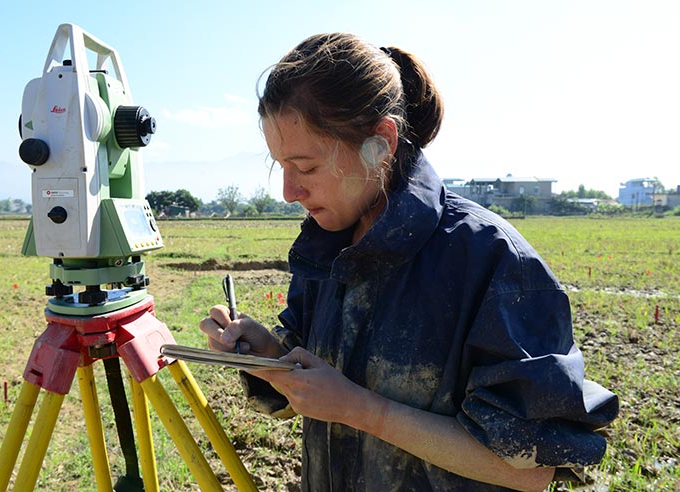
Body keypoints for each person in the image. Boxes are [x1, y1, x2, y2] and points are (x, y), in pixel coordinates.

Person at [199, 33, 618, 492]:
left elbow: (531, 469)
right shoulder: (327, 248)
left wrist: (362, 409)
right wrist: (270, 357)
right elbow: (314, 390)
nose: (289, 191)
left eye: (307, 166)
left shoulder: (493, 261)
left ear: (380, 144)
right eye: (280, 165)